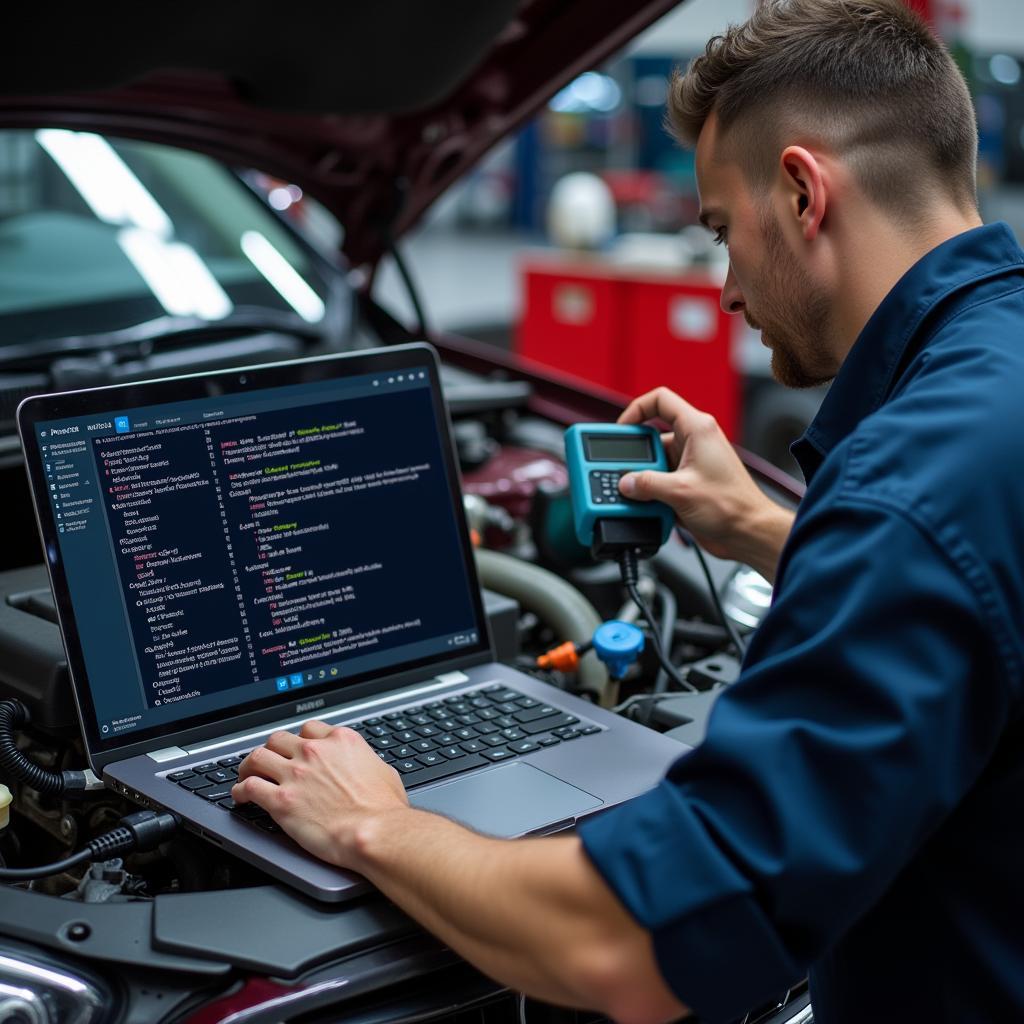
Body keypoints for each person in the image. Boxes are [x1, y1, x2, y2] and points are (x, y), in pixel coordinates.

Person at [231, 1, 1024, 1020]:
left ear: (799, 192)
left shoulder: (907, 487)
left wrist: (374, 824)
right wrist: (773, 533)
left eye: (719, 231)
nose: (727, 287)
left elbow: (636, 941)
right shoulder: (984, 392)